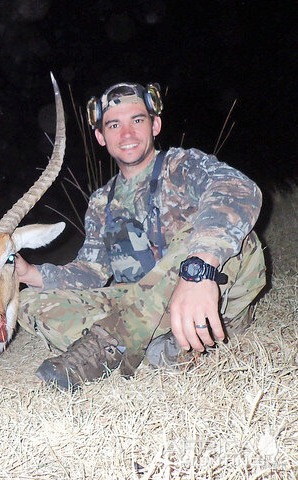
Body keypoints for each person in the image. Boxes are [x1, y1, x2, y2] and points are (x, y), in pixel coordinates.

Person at [15, 82, 266, 390]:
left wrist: (199, 269)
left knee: (208, 233)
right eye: (113, 125)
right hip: (141, 307)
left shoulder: (182, 165)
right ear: (100, 137)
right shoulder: (100, 201)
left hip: (211, 295)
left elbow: (237, 189)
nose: (127, 134)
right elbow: (90, 273)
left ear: (155, 125)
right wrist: (30, 273)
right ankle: (162, 349)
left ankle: (112, 343)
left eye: (137, 120)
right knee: (28, 303)